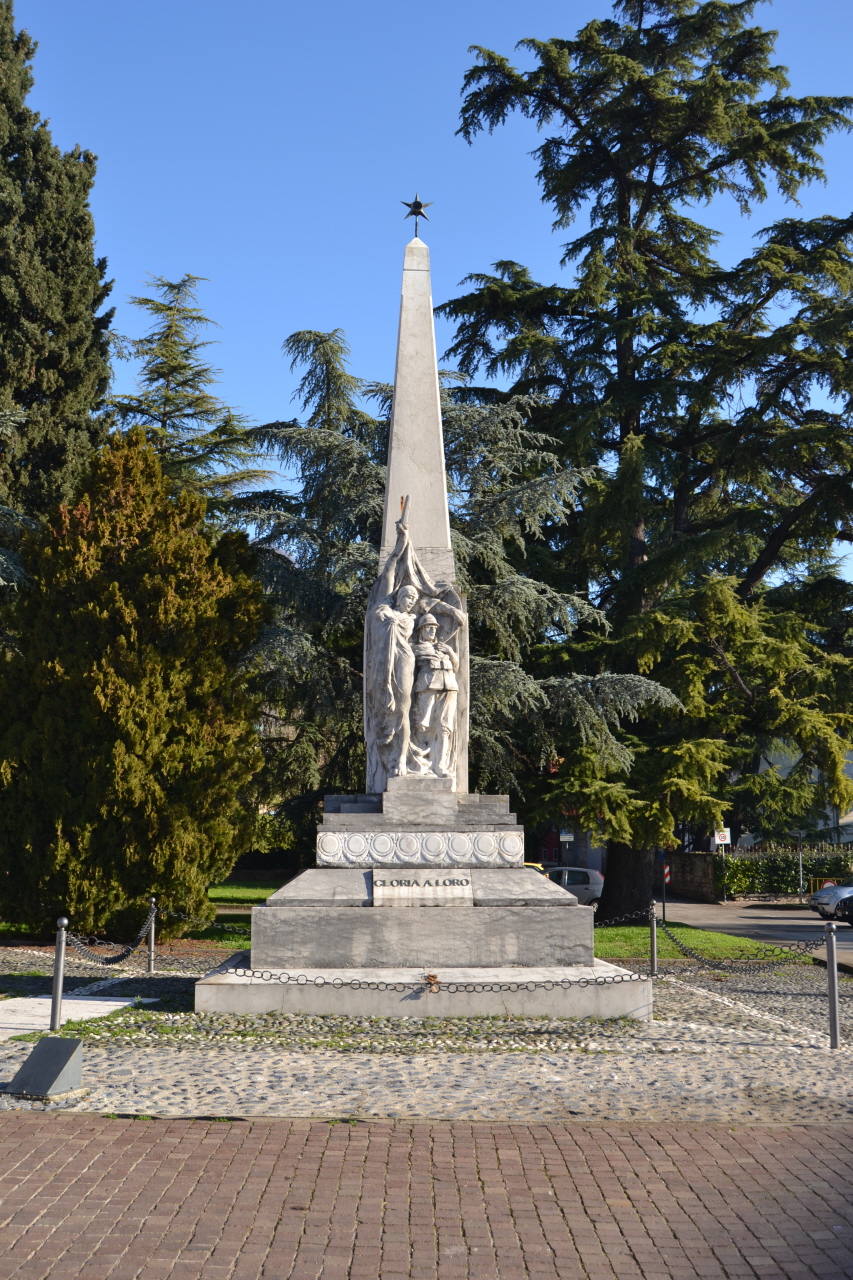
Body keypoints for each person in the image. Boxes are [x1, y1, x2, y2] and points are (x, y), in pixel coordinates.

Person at [410, 612, 460, 779]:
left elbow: (456, 666)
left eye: (434, 628)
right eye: (428, 628)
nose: (432, 631)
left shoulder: (444, 647)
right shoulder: (415, 647)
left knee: (445, 728)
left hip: (449, 686)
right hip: (427, 686)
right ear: (421, 630)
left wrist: (450, 652)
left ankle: (440, 765)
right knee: (422, 725)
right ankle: (419, 763)